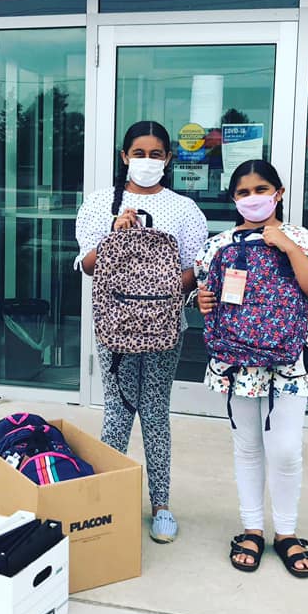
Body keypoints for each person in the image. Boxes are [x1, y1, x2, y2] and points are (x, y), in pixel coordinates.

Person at [195, 159, 308, 577]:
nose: (253, 199)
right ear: (233, 199)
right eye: (243, 192)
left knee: (286, 449)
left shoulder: (307, 240)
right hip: (236, 360)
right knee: (247, 446)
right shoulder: (218, 246)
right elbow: (207, 293)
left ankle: (287, 532)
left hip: (288, 363)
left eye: (261, 190)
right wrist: (201, 300)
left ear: (279, 193)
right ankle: (252, 528)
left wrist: (289, 248)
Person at [75, 120, 209, 543]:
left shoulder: (184, 208)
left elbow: (195, 268)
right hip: (115, 324)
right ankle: (106, 499)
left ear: (168, 159)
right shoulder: (101, 203)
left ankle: (161, 504)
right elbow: (89, 265)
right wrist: (114, 235)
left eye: (155, 154)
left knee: (154, 410)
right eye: (139, 153)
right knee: (117, 410)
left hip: (165, 326)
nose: (147, 161)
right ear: (124, 156)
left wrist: (155, 293)